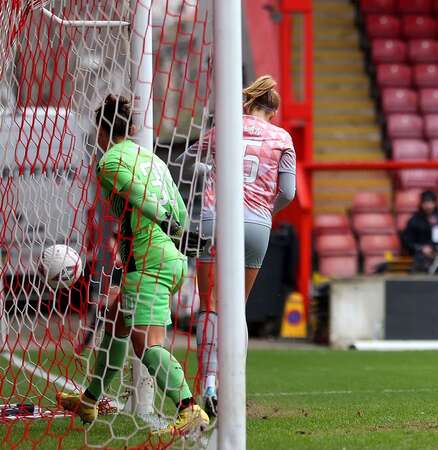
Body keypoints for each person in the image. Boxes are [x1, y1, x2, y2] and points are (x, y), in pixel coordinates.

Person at [59, 95, 209, 435]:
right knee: (115, 323)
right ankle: (89, 399)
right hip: (168, 258)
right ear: (132, 128)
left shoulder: (110, 162)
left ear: (101, 131)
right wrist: (176, 227)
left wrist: (163, 220)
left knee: (147, 344)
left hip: (148, 260)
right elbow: (181, 210)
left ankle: (189, 408)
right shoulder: (153, 159)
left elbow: (137, 194)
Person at [193, 74, 296, 417]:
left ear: (248, 103)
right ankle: (233, 389)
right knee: (236, 308)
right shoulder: (283, 137)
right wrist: (265, 211)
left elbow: (192, 156)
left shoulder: (224, 126)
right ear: (274, 112)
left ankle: (208, 382)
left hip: (215, 217)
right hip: (255, 225)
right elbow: (288, 193)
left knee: (210, 305)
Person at [401, 191, 438, 274]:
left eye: (431, 202)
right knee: (420, 262)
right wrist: (420, 248)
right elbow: (407, 240)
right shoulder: (414, 220)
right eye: (425, 203)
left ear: (435, 203)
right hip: (420, 253)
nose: (428, 206)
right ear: (421, 204)